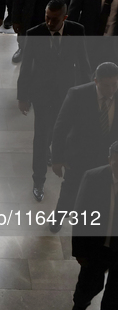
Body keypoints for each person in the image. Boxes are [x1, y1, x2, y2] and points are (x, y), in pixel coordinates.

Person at [17, 0, 91, 203]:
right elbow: (26, 68)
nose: (49, 23)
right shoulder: (34, 34)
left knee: (64, 133)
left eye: (54, 19)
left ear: (65, 17)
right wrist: (22, 96)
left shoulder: (76, 31)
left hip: (68, 94)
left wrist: (88, 93)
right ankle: (38, 181)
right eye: (47, 18)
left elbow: (83, 64)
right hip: (42, 94)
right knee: (41, 137)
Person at [50, 62, 118, 233]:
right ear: (96, 81)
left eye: (115, 84)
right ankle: (57, 219)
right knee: (70, 192)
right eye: (106, 85)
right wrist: (57, 159)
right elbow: (61, 127)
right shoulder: (78, 95)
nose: (111, 90)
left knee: (101, 194)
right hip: (80, 156)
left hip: (109, 159)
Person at [70, 140, 118, 310]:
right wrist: (79, 252)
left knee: (116, 294)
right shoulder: (93, 178)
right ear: (110, 160)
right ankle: (80, 305)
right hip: (97, 247)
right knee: (90, 285)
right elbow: (79, 216)